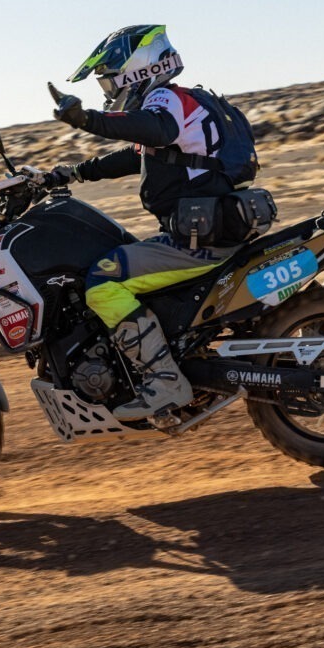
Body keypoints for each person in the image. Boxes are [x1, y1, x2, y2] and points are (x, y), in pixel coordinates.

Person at [44, 25, 246, 424]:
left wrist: (87, 119)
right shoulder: (182, 101)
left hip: (199, 240)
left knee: (103, 282)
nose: (106, 87)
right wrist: (70, 173)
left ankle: (165, 379)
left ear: (135, 68)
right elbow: (138, 151)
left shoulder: (165, 99)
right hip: (207, 229)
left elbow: (154, 131)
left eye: (107, 77)